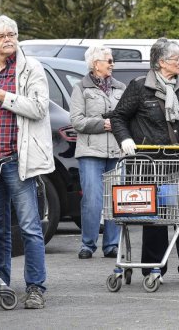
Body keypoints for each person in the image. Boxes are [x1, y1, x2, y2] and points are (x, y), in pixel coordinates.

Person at [0, 14, 52, 309]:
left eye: (12, 33)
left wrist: (3, 96)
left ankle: (36, 287)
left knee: (29, 226)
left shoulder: (31, 68)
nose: (8, 39)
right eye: (1, 36)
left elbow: (40, 109)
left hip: (17, 160)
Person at [111, 38, 179, 285]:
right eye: (177, 60)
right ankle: (154, 268)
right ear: (162, 62)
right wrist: (125, 140)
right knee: (154, 217)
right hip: (149, 161)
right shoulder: (139, 87)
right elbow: (119, 116)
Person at [69, 46, 125, 259]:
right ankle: (87, 244)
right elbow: (76, 122)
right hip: (90, 151)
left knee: (115, 200)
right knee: (92, 200)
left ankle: (111, 245)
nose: (112, 64)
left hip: (116, 152)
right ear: (95, 64)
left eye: (112, 60)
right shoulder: (80, 88)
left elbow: (127, 116)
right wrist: (104, 124)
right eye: (108, 60)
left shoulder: (120, 87)